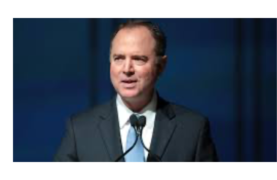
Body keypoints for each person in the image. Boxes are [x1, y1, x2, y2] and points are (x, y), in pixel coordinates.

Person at [54, 20, 218, 162]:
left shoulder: (192, 129)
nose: (127, 69)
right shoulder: (80, 129)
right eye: (119, 58)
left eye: (138, 59)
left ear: (161, 66)